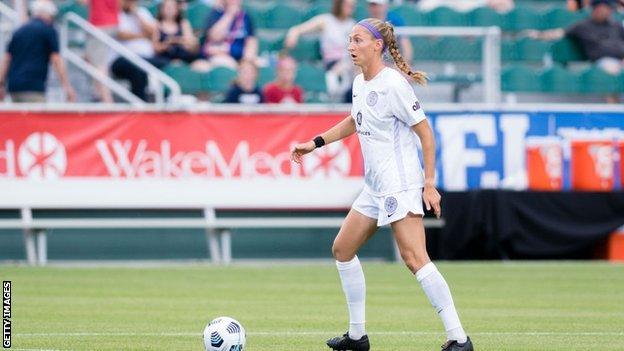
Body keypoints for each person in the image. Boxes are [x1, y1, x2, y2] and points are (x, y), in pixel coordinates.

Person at [290, 18, 473, 351]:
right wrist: (315, 142)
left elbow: (426, 134)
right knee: (342, 250)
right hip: (375, 187)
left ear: (378, 46)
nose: (350, 47)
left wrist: (428, 184)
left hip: (400, 185)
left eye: (357, 40)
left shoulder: (393, 85)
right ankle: (357, 337)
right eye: (349, 40)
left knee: (415, 258)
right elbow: (354, 120)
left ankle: (458, 338)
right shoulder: (361, 82)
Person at [528, 0, 624, 102]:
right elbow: (560, 33)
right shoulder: (583, 26)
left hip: (621, 61)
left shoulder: (616, 26)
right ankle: (613, 105)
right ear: (596, 8)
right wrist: (538, 35)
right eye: (604, 8)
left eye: (608, 8)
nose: (606, 11)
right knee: (610, 69)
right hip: (603, 63)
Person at [0, 0, 76, 103]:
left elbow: (6, 59)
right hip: (34, 87)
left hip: (14, 87)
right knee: (36, 118)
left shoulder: (19, 31)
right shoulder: (48, 30)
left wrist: (1, 83)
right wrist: (67, 86)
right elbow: (56, 59)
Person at [284, 0, 356, 102]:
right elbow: (299, 29)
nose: (351, 8)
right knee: (332, 79)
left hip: (347, 65)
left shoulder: (352, 25)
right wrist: (293, 33)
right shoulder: (326, 21)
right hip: (330, 64)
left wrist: (346, 65)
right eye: (348, 5)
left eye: (352, 6)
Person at [110, 0, 159, 101]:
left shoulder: (142, 12)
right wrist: (142, 35)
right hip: (121, 59)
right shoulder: (115, 14)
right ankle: (141, 106)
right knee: (138, 69)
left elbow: (152, 32)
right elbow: (121, 34)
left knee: (169, 64)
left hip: (147, 58)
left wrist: (136, 14)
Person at [193, 0, 258, 72]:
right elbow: (214, 37)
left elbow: (251, 42)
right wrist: (229, 15)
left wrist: (246, 62)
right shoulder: (216, 13)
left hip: (238, 60)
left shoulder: (245, 17)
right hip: (216, 58)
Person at [80, 0, 119, 102]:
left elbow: (83, 2)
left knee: (100, 66)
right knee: (90, 58)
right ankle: (98, 94)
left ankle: (107, 101)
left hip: (99, 24)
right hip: (113, 23)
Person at [152, 0, 199, 64]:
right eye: (167, 7)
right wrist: (166, 45)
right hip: (165, 59)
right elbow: (155, 47)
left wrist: (174, 40)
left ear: (177, 9)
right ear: (161, 8)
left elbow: (191, 43)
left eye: (172, 7)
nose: (170, 10)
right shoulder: (157, 24)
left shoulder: (183, 23)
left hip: (183, 57)